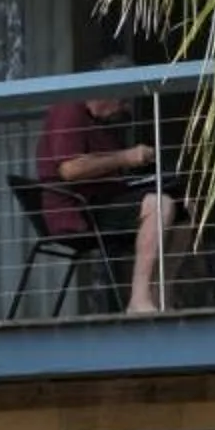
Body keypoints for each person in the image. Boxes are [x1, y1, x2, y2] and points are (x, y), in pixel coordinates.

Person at [34, 60, 183, 315]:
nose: (124, 108)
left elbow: (105, 167)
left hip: (105, 202)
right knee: (160, 205)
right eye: (124, 101)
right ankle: (139, 300)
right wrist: (127, 157)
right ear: (108, 90)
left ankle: (160, 297)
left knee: (183, 209)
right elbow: (70, 169)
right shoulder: (69, 109)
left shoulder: (103, 124)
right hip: (80, 211)